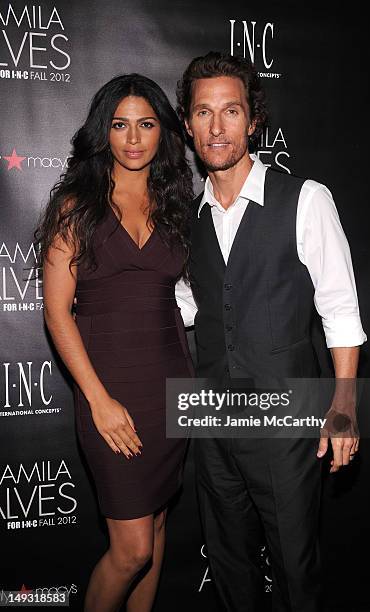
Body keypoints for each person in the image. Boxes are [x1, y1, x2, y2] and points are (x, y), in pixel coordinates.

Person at [175, 52, 367, 611]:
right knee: (231, 569)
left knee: (295, 570)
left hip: (287, 424)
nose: (217, 127)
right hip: (212, 426)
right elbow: (189, 309)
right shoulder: (187, 220)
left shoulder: (305, 199)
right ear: (187, 126)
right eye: (203, 113)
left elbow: (341, 308)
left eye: (230, 111)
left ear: (253, 118)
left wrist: (345, 405)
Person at [35, 73, 195, 612]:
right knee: (131, 549)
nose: (133, 138)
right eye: (120, 125)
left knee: (157, 523)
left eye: (146, 124)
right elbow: (58, 313)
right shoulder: (76, 207)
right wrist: (97, 401)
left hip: (171, 384)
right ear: (103, 132)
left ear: (163, 133)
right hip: (109, 389)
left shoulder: (176, 203)